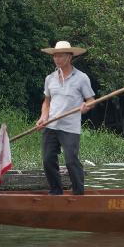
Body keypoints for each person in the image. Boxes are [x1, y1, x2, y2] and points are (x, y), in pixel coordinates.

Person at [36, 41, 96, 196]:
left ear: (69, 57)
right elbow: (47, 102)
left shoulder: (81, 78)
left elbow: (91, 101)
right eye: (54, 56)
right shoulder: (50, 78)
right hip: (51, 125)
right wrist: (43, 117)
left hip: (70, 127)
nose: (56, 59)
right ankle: (56, 191)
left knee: (71, 160)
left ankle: (78, 193)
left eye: (60, 56)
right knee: (48, 160)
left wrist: (85, 106)